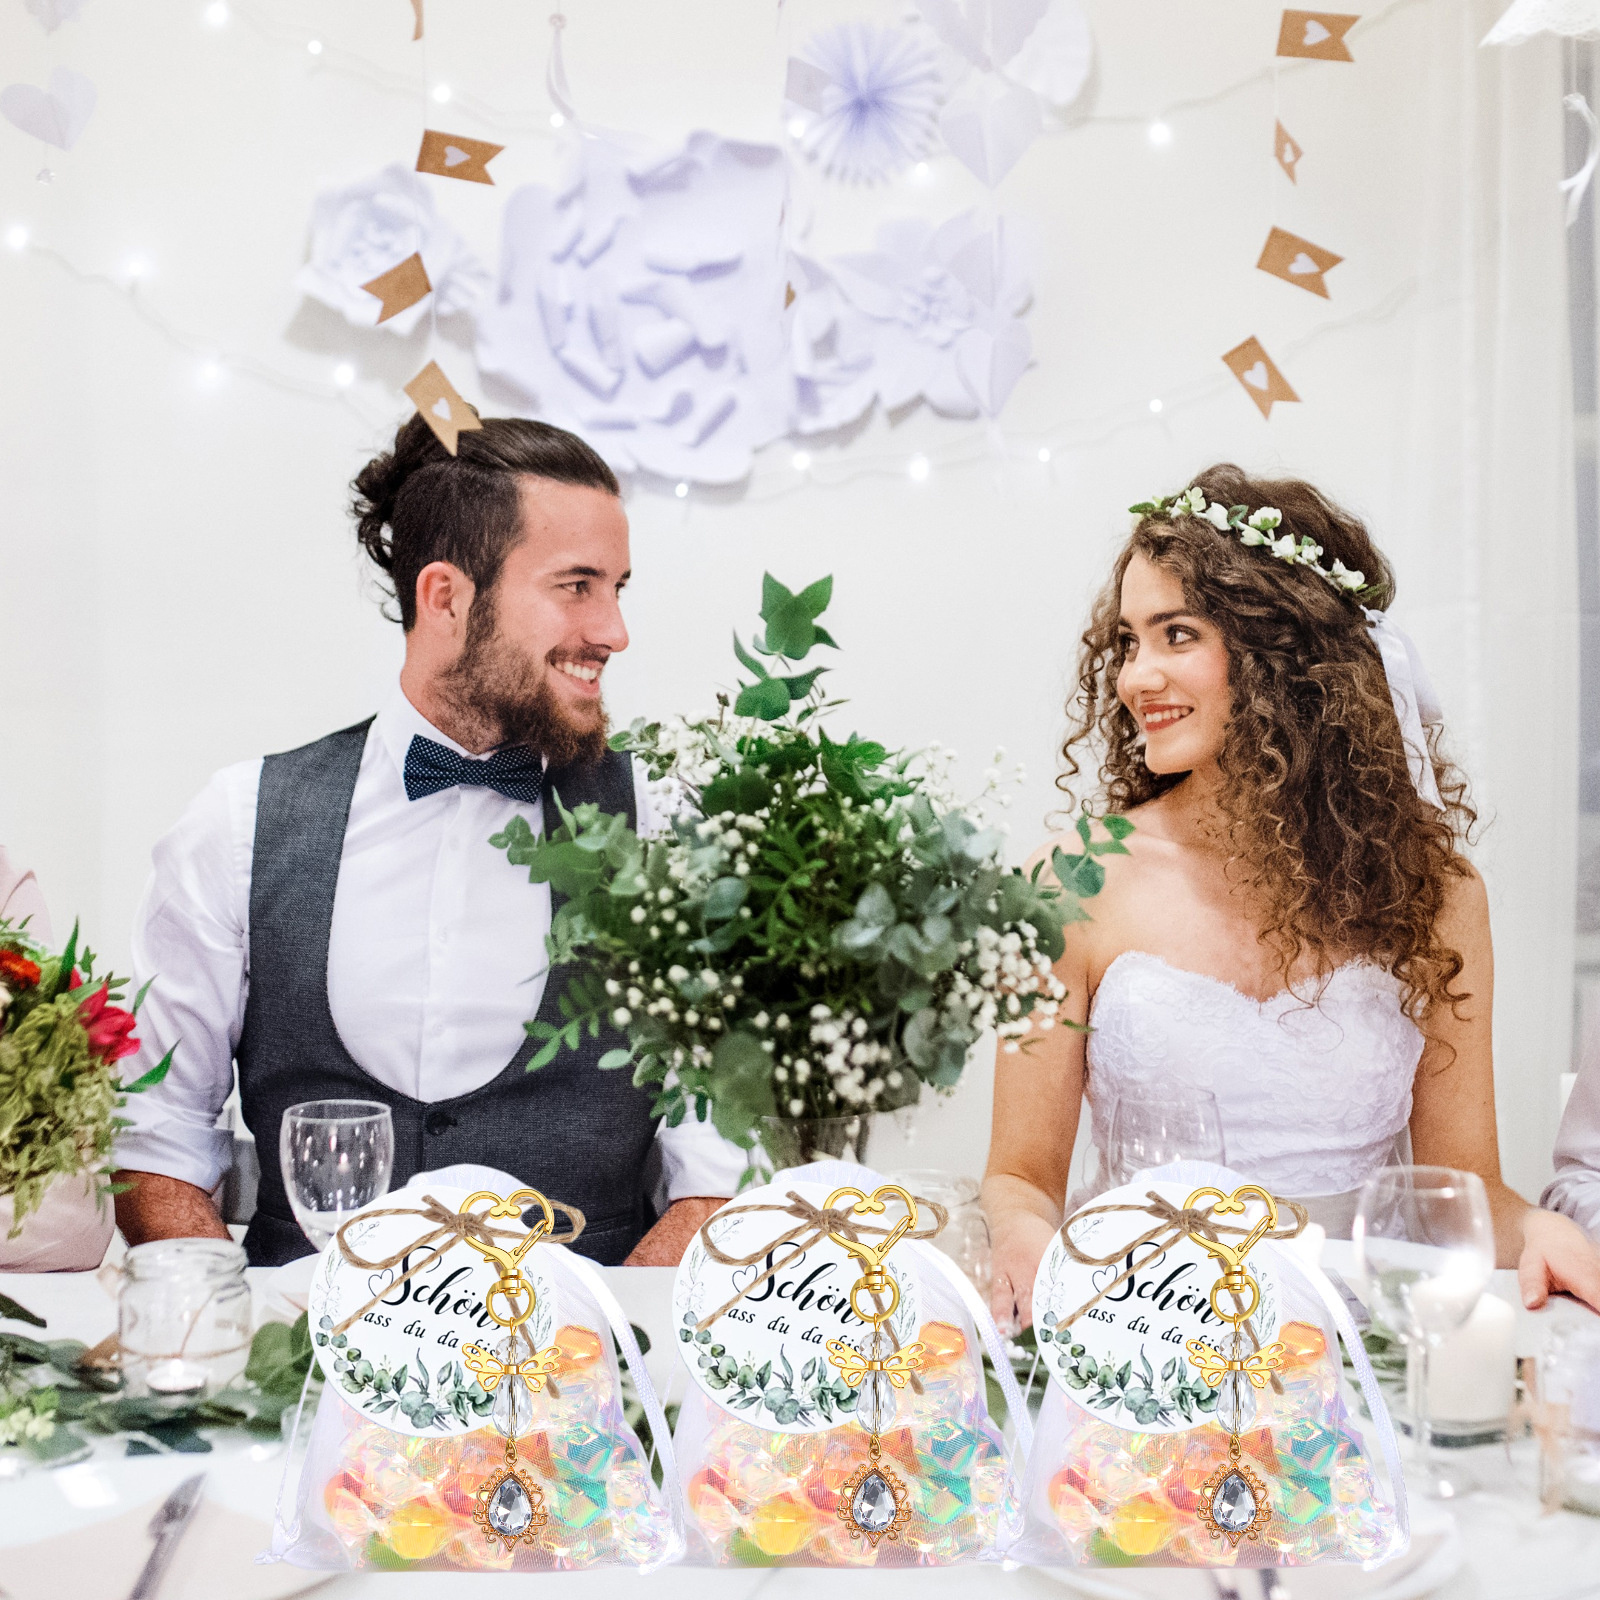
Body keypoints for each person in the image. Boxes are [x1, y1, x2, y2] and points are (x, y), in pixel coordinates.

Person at [113, 413, 742, 1266]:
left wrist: (610, 1335)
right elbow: (155, 1146)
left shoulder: (667, 827)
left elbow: (718, 1175)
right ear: (445, 597)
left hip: (584, 1343)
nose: (612, 631)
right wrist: (241, 1325)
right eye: (576, 586)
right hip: (297, 1343)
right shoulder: (236, 824)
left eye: (617, 588)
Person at [983, 464, 1600, 1326]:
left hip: (1359, 1340)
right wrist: (1020, 1236)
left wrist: (1540, 1230)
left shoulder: (1438, 897)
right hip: (1140, 1331)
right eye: (1128, 642)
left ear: (1284, 654)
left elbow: (1466, 1192)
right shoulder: (1072, 879)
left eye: (1176, 635)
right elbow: (1020, 1176)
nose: (1133, 678)